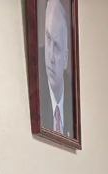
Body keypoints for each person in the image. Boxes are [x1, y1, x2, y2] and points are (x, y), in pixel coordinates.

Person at [41, 0, 74, 137]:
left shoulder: (74, 100)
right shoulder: (37, 88)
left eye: (57, 47)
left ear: (66, 59)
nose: (50, 57)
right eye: (48, 39)